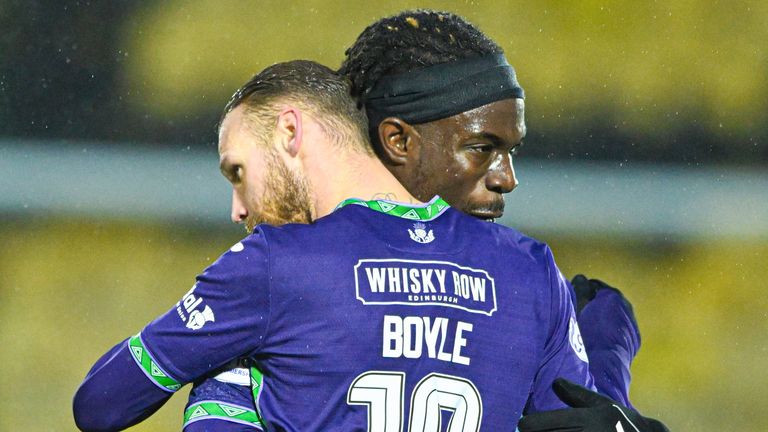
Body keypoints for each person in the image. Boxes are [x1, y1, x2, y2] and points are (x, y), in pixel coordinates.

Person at [182, 10, 659, 432]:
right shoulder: (266, 294)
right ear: (398, 142)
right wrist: (607, 363)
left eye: (510, 151)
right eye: (482, 149)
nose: (507, 180)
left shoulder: (526, 291)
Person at [74, 60, 595, 431]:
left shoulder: (275, 266)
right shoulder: (528, 269)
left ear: (290, 132)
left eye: (238, 171)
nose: (237, 207)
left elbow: (99, 406)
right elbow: (583, 417)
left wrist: (222, 388)